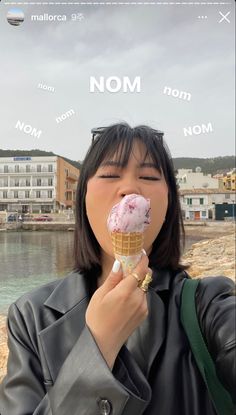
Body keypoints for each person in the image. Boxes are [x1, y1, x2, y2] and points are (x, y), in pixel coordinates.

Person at [0, 123, 235, 415]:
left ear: (168, 203)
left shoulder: (208, 304)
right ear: (83, 199)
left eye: (148, 176)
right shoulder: (31, 317)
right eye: (110, 175)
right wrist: (99, 344)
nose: (129, 189)